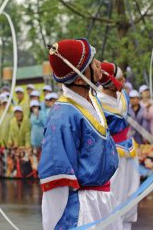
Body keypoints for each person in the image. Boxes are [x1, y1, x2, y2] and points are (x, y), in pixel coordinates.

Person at [38, 38, 120, 229]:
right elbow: (56, 178)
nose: (99, 64)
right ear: (77, 77)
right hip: (83, 210)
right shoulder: (62, 116)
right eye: (93, 62)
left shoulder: (93, 99)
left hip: (104, 201)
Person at [98, 61, 139, 230]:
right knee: (116, 194)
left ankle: (126, 226)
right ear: (112, 82)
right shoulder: (97, 102)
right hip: (112, 152)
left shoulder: (123, 96)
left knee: (131, 193)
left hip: (129, 148)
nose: (124, 82)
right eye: (121, 79)